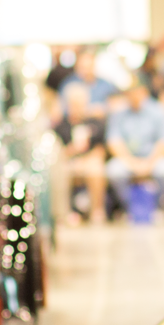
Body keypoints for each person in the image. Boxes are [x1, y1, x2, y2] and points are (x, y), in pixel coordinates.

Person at [55, 49, 116, 224]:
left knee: (96, 168)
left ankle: (98, 211)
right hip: (69, 158)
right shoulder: (67, 87)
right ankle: (65, 213)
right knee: (60, 171)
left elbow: (99, 144)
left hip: (91, 157)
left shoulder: (105, 88)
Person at [104, 79, 164, 206]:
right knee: (114, 171)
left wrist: (149, 163)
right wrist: (132, 162)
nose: (133, 96)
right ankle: (130, 206)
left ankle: (156, 205)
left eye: (136, 92)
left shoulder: (158, 110)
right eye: (130, 93)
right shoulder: (118, 113)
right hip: (128, 159)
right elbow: (114, 142)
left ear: (144, 92)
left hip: (153, 158)